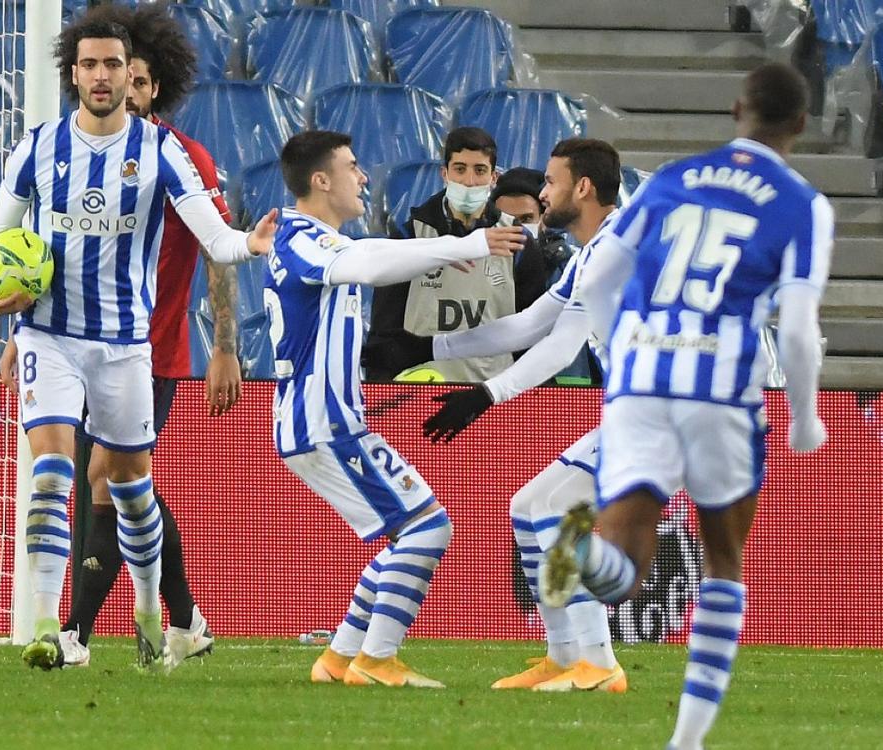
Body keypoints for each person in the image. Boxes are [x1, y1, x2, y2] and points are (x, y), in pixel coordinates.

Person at [0, 14, 274, 673]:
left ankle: (154, 609)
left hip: (132, 346)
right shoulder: (39, 147)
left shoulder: (167, 152)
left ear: (139, 76)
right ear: (73, 73)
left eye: (117, 67)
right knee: (56, 472)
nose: (106, 78)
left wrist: (248, 247)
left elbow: (216, 242)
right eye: (93, 65)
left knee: (129, 486)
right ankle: (50, 627)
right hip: (50, 336)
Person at [541, 63, 831, 749]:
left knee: (624, 571)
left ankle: (581, 546)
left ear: (735, 110)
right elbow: (796, 329)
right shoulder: (802, 203)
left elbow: (601, 274)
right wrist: (805, 416)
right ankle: (687, 741)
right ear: (800, 123)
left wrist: (623, 352)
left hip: (640, 381)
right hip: (718, 389)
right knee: (723, 563)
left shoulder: (670, 179)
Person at [363, 138, 628, 693]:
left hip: (667, 409)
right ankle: (564, 657)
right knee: (530, 506)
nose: (541, 193)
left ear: (582, 188)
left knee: (554, 508)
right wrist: (430, 348)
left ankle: (600, 664)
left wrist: (487, 394)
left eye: (551, 182)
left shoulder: (615, 248)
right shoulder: (596, 252)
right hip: (640, 409)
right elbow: (529, 325)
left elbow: (558, 349)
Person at [268, 130, 525, 688]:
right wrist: (468, 245)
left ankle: (339, 658)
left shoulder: (317, 240)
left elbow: (376, 255)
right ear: (321, 180)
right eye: (352, 167)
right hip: (323, 420)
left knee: (413, 530)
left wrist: (447, 252)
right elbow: (368, 263)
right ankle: (376, 660)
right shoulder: (302, 237)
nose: (363, 177)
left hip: (331, 420)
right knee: (427, 529)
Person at [37, 3, 240, 668]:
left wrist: (225, 346)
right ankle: (183, 620)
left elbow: (218, 250)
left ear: (152, 86)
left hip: (147, 351)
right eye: (115, 75)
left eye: (140, 81)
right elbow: (49, 250)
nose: (126, 90)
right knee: (117, 484)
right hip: (71, 340)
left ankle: (74, 633)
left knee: (108, 479)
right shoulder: (71, 153)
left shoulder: (179, 157)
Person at [367, 127, 547, 382]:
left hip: (491, 392)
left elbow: (533, 333)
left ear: (494, 177)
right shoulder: (410, 237)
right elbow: (384, 332)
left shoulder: (518, 241)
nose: (469, 181)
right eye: (460, 169)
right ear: (445, 174)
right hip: (421, 389)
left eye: (480, 170)